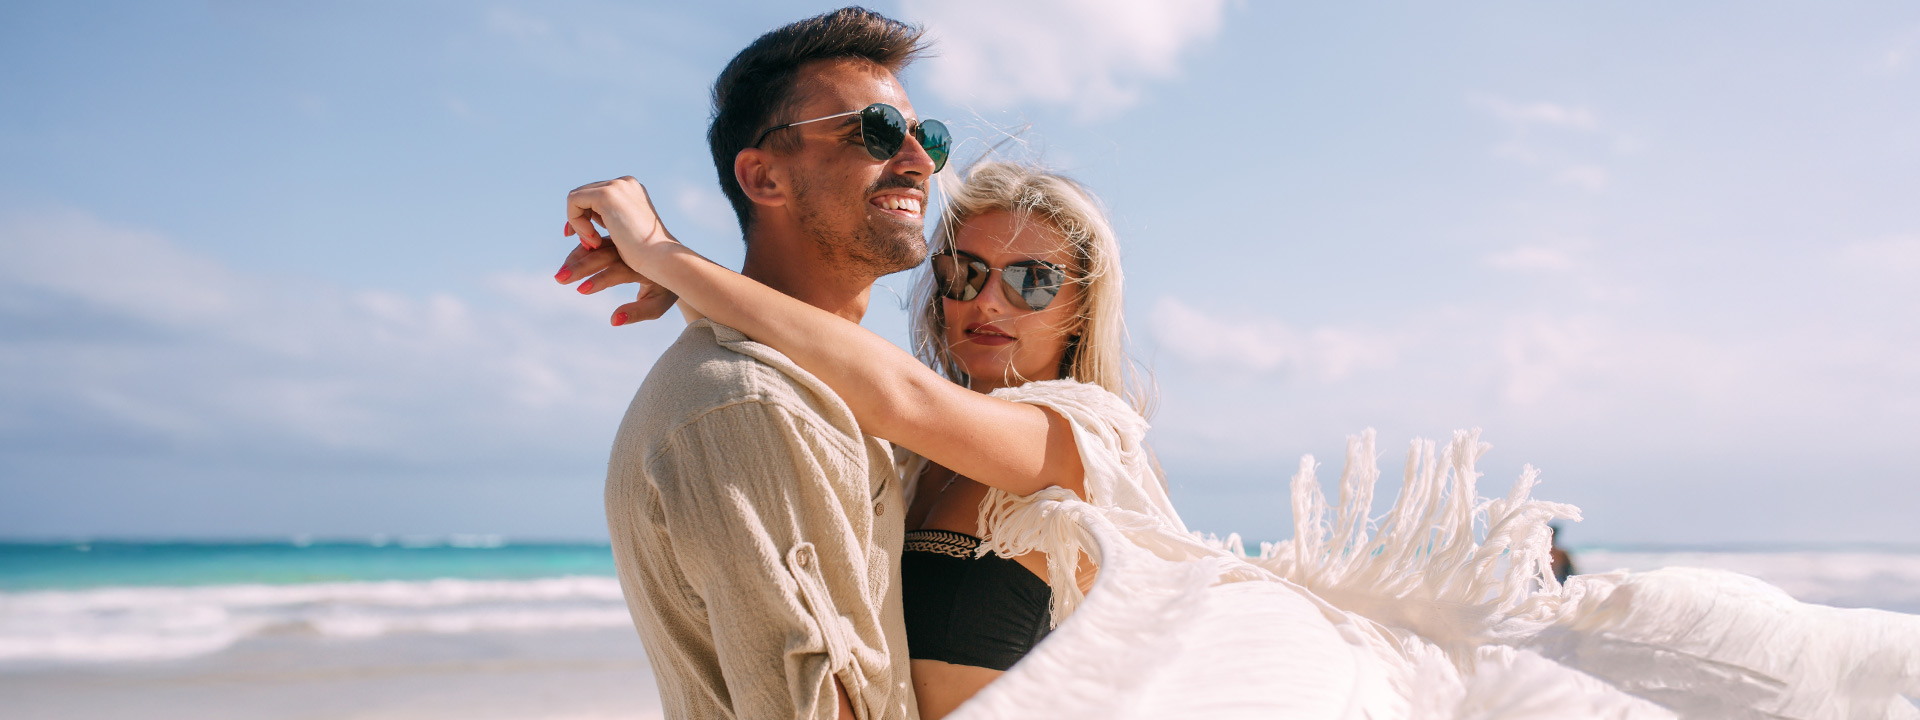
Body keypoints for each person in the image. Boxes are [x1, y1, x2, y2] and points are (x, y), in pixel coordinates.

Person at [567, 156, 1920, 717]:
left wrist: (672, 257)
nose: (988, 302)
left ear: (1081, 307)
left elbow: (901, 394)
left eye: (1032, 280)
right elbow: (862, 392)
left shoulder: (1074, 430)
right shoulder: (891, 445)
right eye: (967, 272)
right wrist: (717, 318)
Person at [571, 8, 941, 720]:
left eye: (926, 137)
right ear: (763, 177)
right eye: (878, 132)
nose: (919, 162)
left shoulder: (799, 391)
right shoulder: (752, 407)